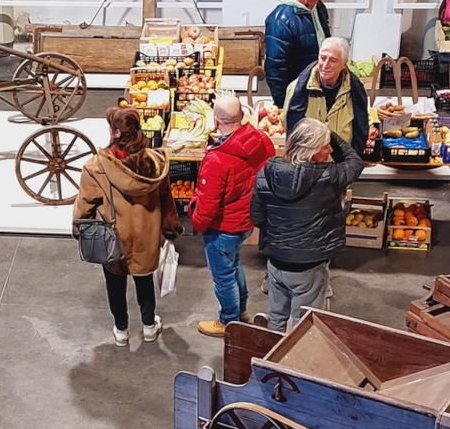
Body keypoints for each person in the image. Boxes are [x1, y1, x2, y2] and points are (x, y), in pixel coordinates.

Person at [71, 107, 179, 346]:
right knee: (144, 280)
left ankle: (121, 330)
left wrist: (78, 229)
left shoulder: (96, 167)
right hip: (146, 235)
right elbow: (166, 200)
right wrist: (170, 230)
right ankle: (149, 326)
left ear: (116, 132)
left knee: (115, 283)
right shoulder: (156, 163)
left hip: (114, 237)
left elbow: (85, 205)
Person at [250, 118, 364, 331]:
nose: (330, 149)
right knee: (304, 326)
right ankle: (294, 362)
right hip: (310, 266)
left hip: (277, 262)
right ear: (312, 152)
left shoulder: (265, 174)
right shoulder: (328, 176)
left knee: (276, 317)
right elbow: (355, 162)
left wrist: (280, 232)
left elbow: (257, 217)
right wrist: (331, 132)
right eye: (325, 145)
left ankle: (270, 357)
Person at [188, 93, 274, 337]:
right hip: (246, 220)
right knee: (234, 265)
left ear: (216, 120)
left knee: (223, 276)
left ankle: (228, 322)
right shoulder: (259, 139)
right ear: (242, 115)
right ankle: (241, 312)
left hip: (223, 226)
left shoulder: (217, 159)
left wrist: (197, 223)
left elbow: (207, 204)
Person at [283, 37, 370, 151]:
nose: (325, 65)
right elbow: (290, 130)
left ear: (344, 64)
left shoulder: (355, 91)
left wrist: (352, 164)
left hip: (341, 165)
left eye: (333, 60)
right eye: (323, 58)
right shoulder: (296, 89)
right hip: (308, 164)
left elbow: (361, 131)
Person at [263, 0, 330, 96]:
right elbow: (275, 69)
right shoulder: (280, 20)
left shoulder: (318, 7)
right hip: (297, 94)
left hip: (316, 88)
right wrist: (283, 105)